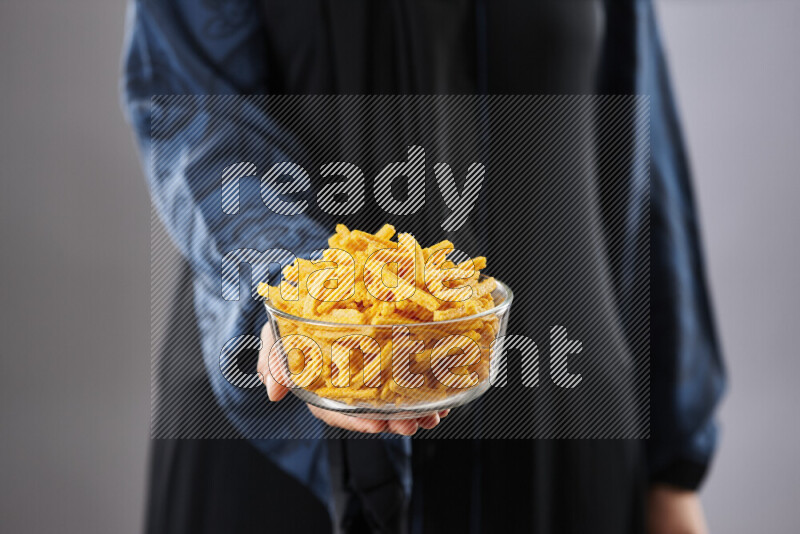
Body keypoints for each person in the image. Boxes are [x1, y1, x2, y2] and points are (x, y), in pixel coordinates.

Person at [122, 1, 725, 532]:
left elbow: (637, 141)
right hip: (279, 441)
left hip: (558, 443)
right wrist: (310, 312)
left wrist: (671, 470)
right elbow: (190, 102)